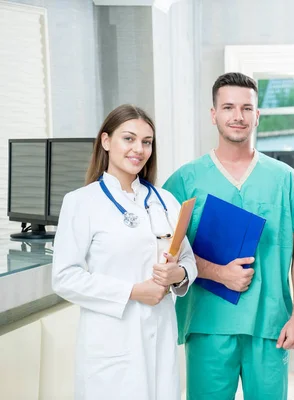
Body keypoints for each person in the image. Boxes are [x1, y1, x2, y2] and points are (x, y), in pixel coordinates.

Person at [163, 72, 294, 400]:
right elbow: (168, 252)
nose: (238, 116)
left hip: (269, 324)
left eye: (247, 108)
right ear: (213, 114)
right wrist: (219, 273)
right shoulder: (185, 181)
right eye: (229, 107)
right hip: (208, 324)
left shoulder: (287, 181)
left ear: (258, 115)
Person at [52, 104, 198, 400]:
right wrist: (132, 291)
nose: (139, 149)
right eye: (128, 139)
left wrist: (178, 274)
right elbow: (64, 277)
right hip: (112, 346)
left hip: (160, 341)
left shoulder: (165, 200)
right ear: (106, 141)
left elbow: (188, 261)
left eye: (146, 142)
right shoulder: (81, 202)